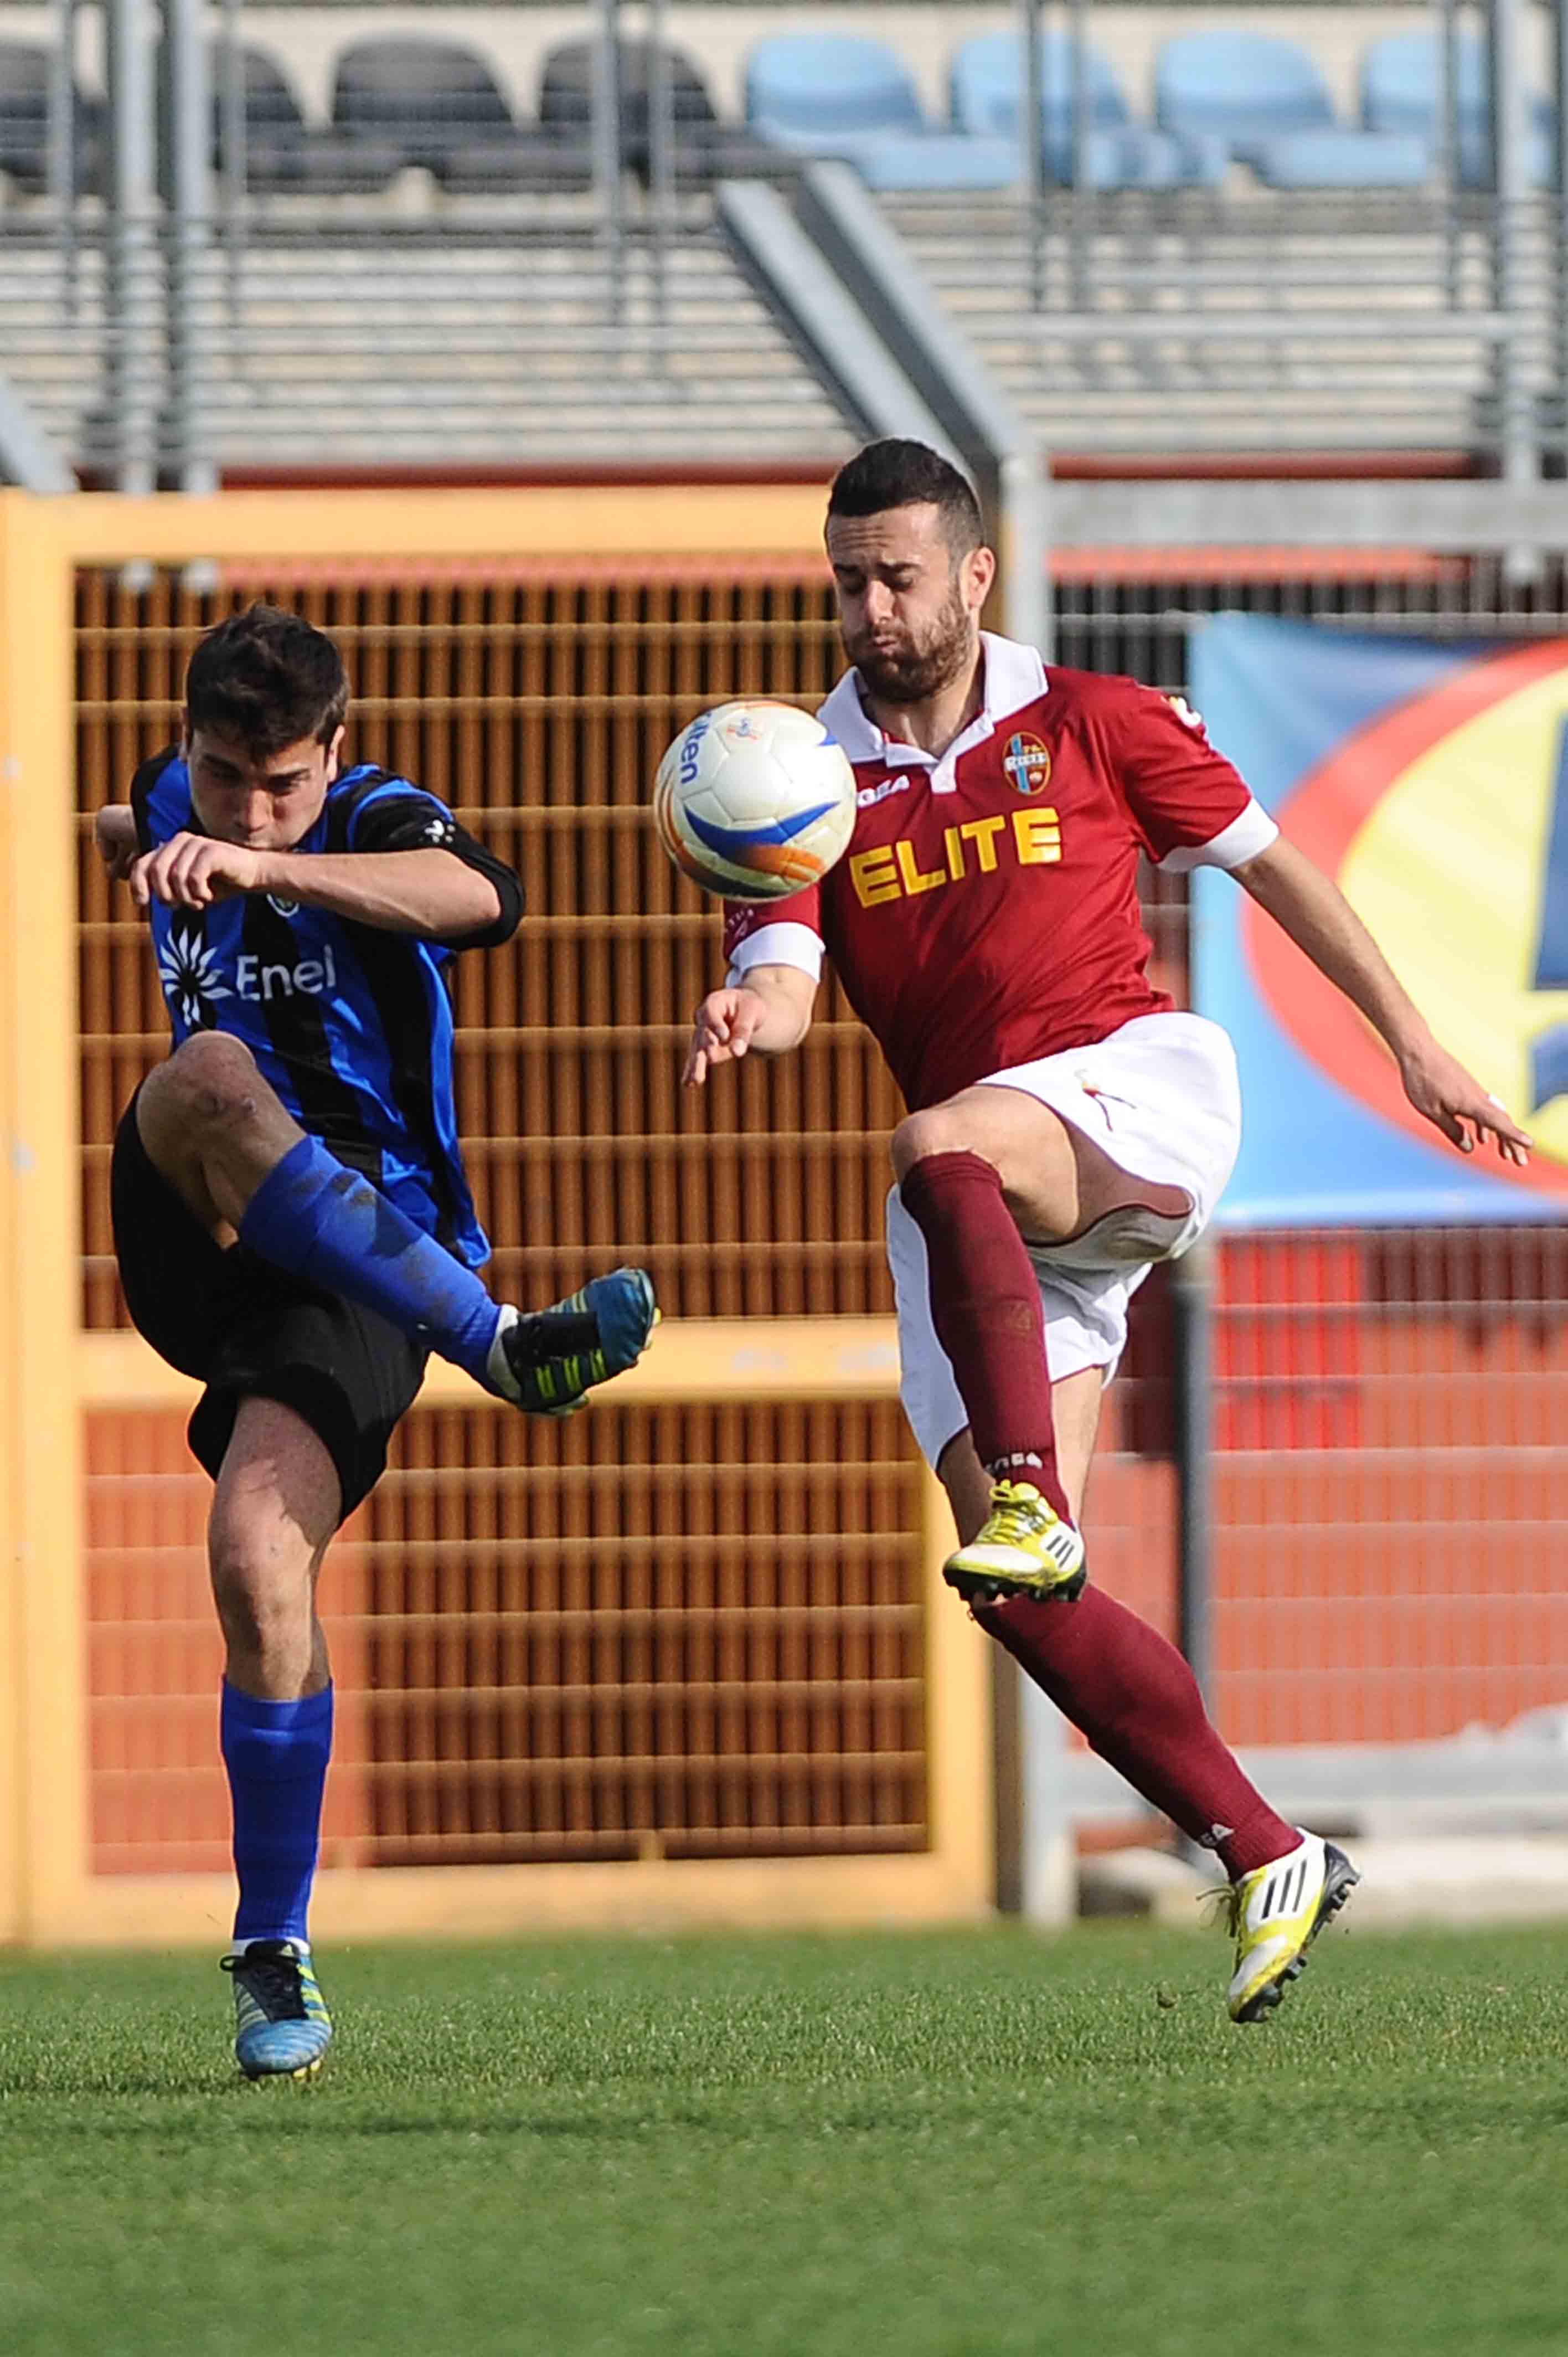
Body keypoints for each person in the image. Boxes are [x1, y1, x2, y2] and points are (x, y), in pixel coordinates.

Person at [683, 438, 1532, 2023]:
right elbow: (789, 972)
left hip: (1121, 1092)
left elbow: (1282, 872)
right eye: (848, 582)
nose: (870, 611)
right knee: (1015, 1589)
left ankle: (1033, 1496)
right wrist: (751, 1009)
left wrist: (1413, 1045)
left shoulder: (1094, 719)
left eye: (897, 578)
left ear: (976, 574)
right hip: (985, 1213)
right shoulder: (798, 772)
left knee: (939, 1146)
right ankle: (1268, 1850)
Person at [97, 604, 658, 2079]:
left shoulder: (372, 816)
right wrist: (132, 836)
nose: (249, 810)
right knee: (202, 1074)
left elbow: (484, 896)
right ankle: (504, 1348)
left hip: (364, 1263)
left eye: (285, 782)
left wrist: (269, 865)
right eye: (225, 781)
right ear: (188, 747)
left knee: (253, 1560)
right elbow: (133, 823)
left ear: (335, 752)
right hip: (199, 1226)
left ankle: (271, 1954)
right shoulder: (169, 798)